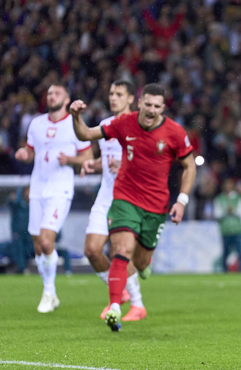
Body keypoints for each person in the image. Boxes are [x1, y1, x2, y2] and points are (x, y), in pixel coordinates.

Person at [69, 83, 196, 331]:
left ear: (163, 107)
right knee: (121, 249)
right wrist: (76, 116)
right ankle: (115, 306)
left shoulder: (175, 132)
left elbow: (189, 166)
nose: (151, 110)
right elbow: (85, 134)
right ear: (140, 102)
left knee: (139, 261)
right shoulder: (123, 123)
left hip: (156, 205)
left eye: (157, 106)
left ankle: (141, 270)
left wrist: (181, 201)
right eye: (147, 104)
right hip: (125, 197)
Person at [14, 83, 93, 313]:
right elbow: (30, 152)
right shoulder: (36, 124)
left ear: (67, 99)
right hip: (38, 188)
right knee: (38, 245)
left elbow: (87, 156)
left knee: (47, 241)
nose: (51, 96)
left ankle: (48, 292)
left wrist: (71, 159)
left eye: (57, 93)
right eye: (49, 93)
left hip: (60, 189)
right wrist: (24, 154)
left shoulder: (74, 124)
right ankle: (52, 294)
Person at [81, 80, 147, 322]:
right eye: (111, 93)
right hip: (105, 195)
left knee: (120, 252)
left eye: (119, 94)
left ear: (131, 99)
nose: (113, 98)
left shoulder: (140, 126)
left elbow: (151, 164)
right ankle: (120, 293)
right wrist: (93, 164)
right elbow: (107, 160)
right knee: (91, 250)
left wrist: (126, 166)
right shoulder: (105, 125)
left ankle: (136, 305)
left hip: (129, 197)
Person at [213, 178, 241, 273]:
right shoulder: (219, 198)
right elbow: (217, 214)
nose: (228, 187)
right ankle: (224, 271)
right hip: (225, 230)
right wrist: (227, 211)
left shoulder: (239, 198)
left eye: (230, 184)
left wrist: (232, 211)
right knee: (225, 253)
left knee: (239, 253)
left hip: (237, 230)